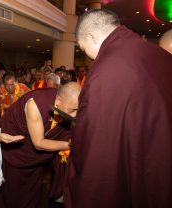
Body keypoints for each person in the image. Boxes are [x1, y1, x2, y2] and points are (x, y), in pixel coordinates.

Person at [66, 9, 172, 208]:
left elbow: (95, 141)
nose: (89, 58)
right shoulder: (160, 55)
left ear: (91, 36)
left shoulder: (106, 70)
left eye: (83, 49)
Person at [0, 82, 81, 208]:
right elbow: (39, 144)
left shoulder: (64, 104)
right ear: (58, 101)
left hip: (35, 158)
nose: (75, 115)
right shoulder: (35, 104)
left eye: (78, 110)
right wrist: (71, 145)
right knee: (13, 192)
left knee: (32, 191)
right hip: (16, 150)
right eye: (73, 110)